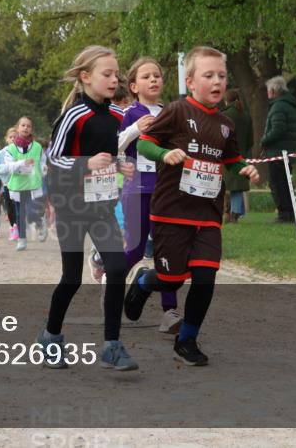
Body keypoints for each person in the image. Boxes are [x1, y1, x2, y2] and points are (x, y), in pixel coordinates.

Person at [124, 47, 260, 365]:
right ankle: (145, 281)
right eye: (208, 75)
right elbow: (145, 142)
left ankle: (187, 339)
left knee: (205, 277)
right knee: (171, 279)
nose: (217, 81)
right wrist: (164, 155)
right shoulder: (176, 111)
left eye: (222, 76)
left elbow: (230, 156)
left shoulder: (226, 124)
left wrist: (244, 167)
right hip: (172, 211)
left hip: (209, 213)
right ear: (191, 80)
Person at [38, 45, 137, 371]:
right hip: (70, 205)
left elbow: (109, 153)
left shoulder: (115, 116)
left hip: (102, 204)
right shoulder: (74, 115)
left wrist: (120, 164)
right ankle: (51, 336)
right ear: (85, 77)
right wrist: (86, 163)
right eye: (106, 74)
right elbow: (51, 158)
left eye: (116, 74)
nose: (114, 79)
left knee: (118, 268)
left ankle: (112, 345)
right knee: (72, 278)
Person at [117, 57, 180, 333]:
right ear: (133, 85)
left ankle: (170, 313)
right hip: (137, 189)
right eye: (146, 77)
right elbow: (116, 146)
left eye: (157, 75)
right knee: (135, 249)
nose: (154, 80)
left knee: (167, 253)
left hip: (166, 190)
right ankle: (112, 287)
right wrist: (134, 129)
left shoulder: (172, 112)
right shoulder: (131, 113)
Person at [0, 117, 46, 251]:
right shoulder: (11, 149)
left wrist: (43, 169)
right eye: (23, 125)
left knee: (31, 212)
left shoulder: (37, 147)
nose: (25, 128)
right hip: (18, 184)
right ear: (18, 128)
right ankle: (22, 239)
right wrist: (21, 164)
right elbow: (8, 166)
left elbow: (42, 162)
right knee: (20, 212)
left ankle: (40, 222)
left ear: (32, 129)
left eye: (28, 126)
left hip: (32, 184)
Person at [261, 75, 296, 223]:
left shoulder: (278, 106)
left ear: (274, 90)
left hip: (277, 151)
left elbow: (278, 129)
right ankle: (290, 213)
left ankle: (284, 214)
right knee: (286, 183)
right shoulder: (290, 105)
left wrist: (264, 140)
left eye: (268, 90)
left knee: (277, 184)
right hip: (288, 150)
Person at [221, 89, 253, 223]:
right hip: (241, 154)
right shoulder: (246, 116)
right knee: (237, 186)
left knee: (225, 186)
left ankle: (229, 213)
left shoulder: (223, 115)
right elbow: (250, 140)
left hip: (226, 155)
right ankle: (236, 213)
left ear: (226, 100)